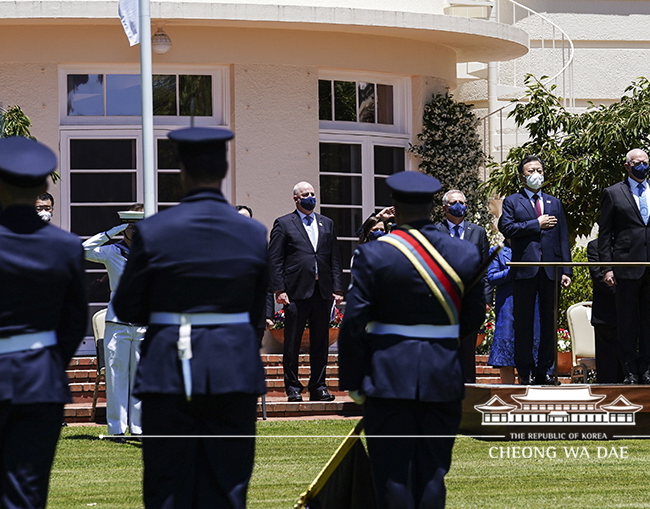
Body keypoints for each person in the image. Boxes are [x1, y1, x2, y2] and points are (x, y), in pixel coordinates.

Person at [113, 127, 268, 509]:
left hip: (169, 367)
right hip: (232, 367)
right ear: (226, 168)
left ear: (180, 170)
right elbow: (255, 310)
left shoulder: (153, 231)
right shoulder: (252, 232)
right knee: (228, 485)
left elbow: (129, 307)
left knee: (168, 486)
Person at [338, 170, 485, 509]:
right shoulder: (464, 253)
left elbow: (353, 323)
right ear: (434, 206)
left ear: (395, 207)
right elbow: (474, 315)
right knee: (432, 474)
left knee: (391, 476)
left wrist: (354, 381)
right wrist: (439, 338)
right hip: (442, 376)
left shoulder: (374, 254)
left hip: (388, 378)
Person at [0, 136, 88, 509]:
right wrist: (46, 363)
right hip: (41, 382)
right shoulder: (64, 246)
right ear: (43, 186)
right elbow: (73, 322)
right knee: (27, 494)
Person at [597, 148, 650, 383]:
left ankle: (646, 369)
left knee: (649, 321)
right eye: (637, 162)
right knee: (628, 321)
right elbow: (605, 234)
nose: (642, 165)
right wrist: (607, 267)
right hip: (626, 267)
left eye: (645, 162)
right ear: (627, 165)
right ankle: (629, 370)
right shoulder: (613, 193)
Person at [497, 155, 572, 385]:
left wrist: (566, 270)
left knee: (550, 322)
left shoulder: (554, 202)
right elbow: (506, 227)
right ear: (522, 176)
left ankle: (546, 371)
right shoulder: (512, 201)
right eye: (531, 171)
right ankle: (526, 372)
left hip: (550, 269)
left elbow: (562, 238)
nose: (536, 174)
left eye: (539, 169)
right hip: (525, 269)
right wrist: (535, 224)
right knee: (524, 322)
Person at [269, 180, 343, 402]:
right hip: (295, 292)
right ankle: (292, 387)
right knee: (291, 342)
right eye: (305, 194)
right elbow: (275, 259)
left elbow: (334, 258)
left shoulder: (326, 223)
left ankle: (318, 387)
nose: (310, 197)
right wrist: (279, 289)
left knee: (320, 342)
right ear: (296, 198)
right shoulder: (283, 223)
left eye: (312, 193)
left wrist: (338, 288)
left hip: (322, 292)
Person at [82, 203, 146, 441]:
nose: (135, 229)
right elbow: (83, 251)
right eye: (131, 224)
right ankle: (116, 429)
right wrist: (111, 232)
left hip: (144, 323)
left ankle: (139, 429)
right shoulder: (112, 251)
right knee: (116, 375)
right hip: (118, 322)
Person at [436, 189, 490, 383]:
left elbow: (484, 269)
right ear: (445, 207)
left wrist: (485, 298)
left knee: (467, 350)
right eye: (453, 202)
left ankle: (468, 393)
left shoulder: (478, 232)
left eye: (462, 201)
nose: (458, 205)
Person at [486, 242, 541, 384]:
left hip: (531, 303)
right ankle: (507, 392)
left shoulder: (534, 248)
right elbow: (491, 277)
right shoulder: (497, 251)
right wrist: (513, 271)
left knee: (532, 347)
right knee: (506, 352)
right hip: (507, 305)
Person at [586, 235, 623, 384]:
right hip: (605, 315)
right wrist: (626, 293)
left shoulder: (633, 245)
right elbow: (598, 276)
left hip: (629, 315)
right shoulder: (595, 246)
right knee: (607, 369)